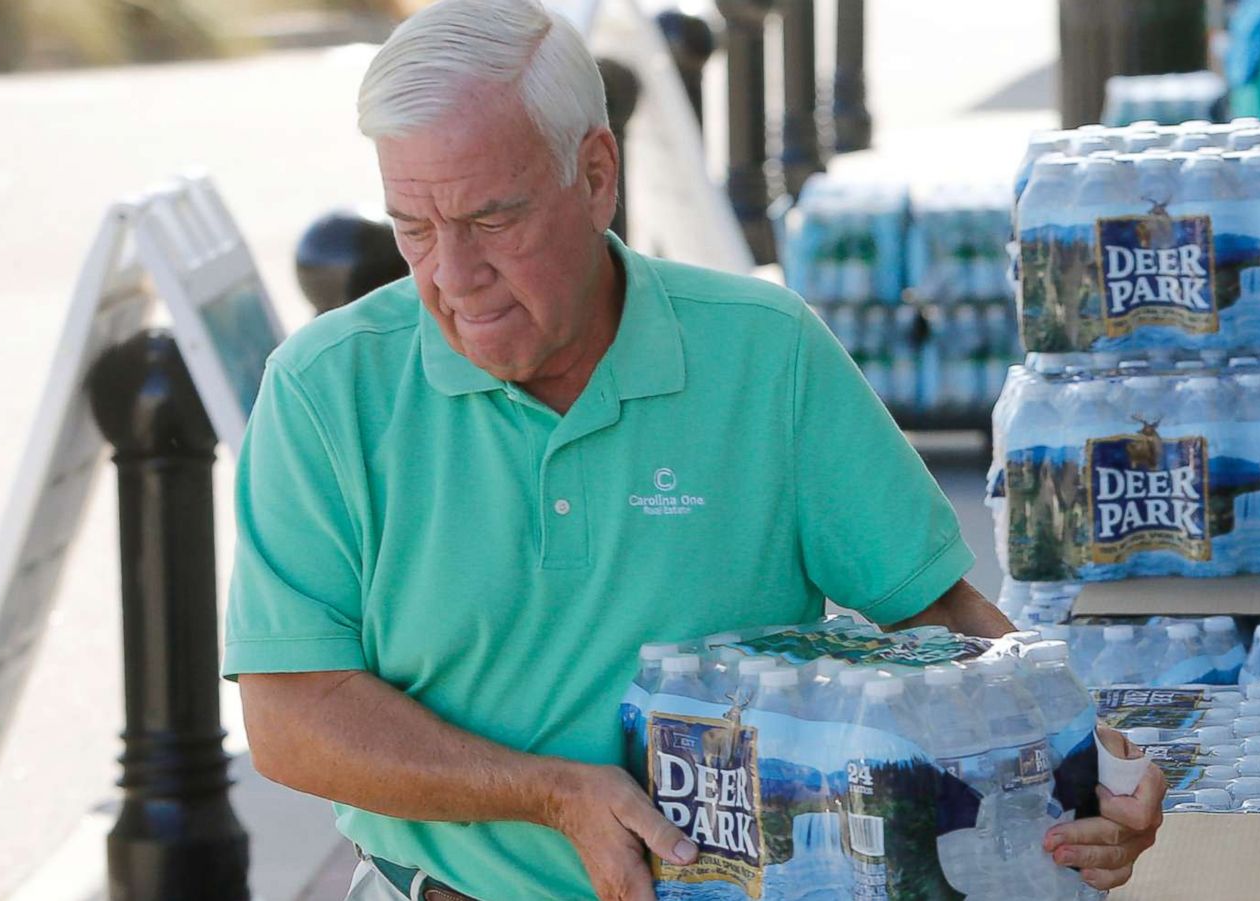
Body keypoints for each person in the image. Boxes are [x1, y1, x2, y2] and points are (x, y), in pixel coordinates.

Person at [222, 2, 1166, 899]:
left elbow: (940, 615)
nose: (452, 277)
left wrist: (1090, 761)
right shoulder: (325, 390)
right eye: (413, 229)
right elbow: (292, 713)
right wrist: (552, 792)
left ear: (597, 175)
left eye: (490, 220)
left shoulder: (763, 352)